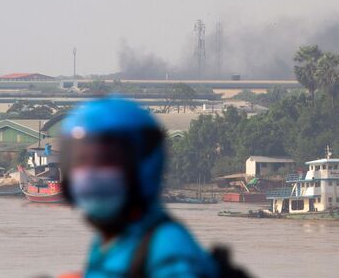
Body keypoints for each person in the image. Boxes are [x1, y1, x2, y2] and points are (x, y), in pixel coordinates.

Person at [59, 97, 219, 278]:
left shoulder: (168, 250)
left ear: (143, 167)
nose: (90, 174)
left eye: (107, 161)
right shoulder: (110, 241)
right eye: (81, 161)